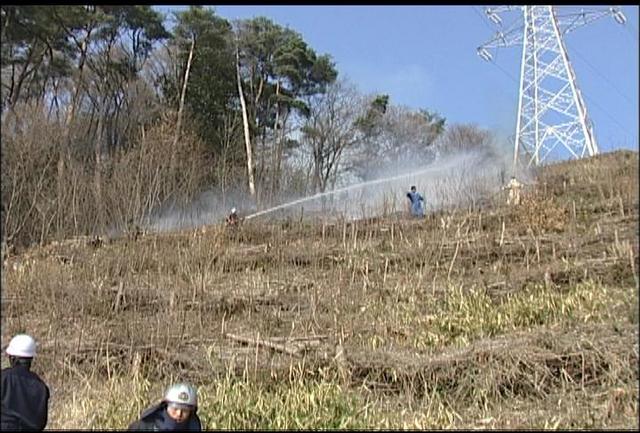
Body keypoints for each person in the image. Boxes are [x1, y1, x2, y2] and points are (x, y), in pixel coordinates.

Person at [1, 334, 50, 431]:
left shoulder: (3, 378)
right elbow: (41, 422)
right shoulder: (42, 387)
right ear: (31, 359)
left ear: (12, 359)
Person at [128, 383, 201, 431]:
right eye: (175, 409)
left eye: (185, 410)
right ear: (166, 406)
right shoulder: (145, 426)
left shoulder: (194, 426)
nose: (179, 413)